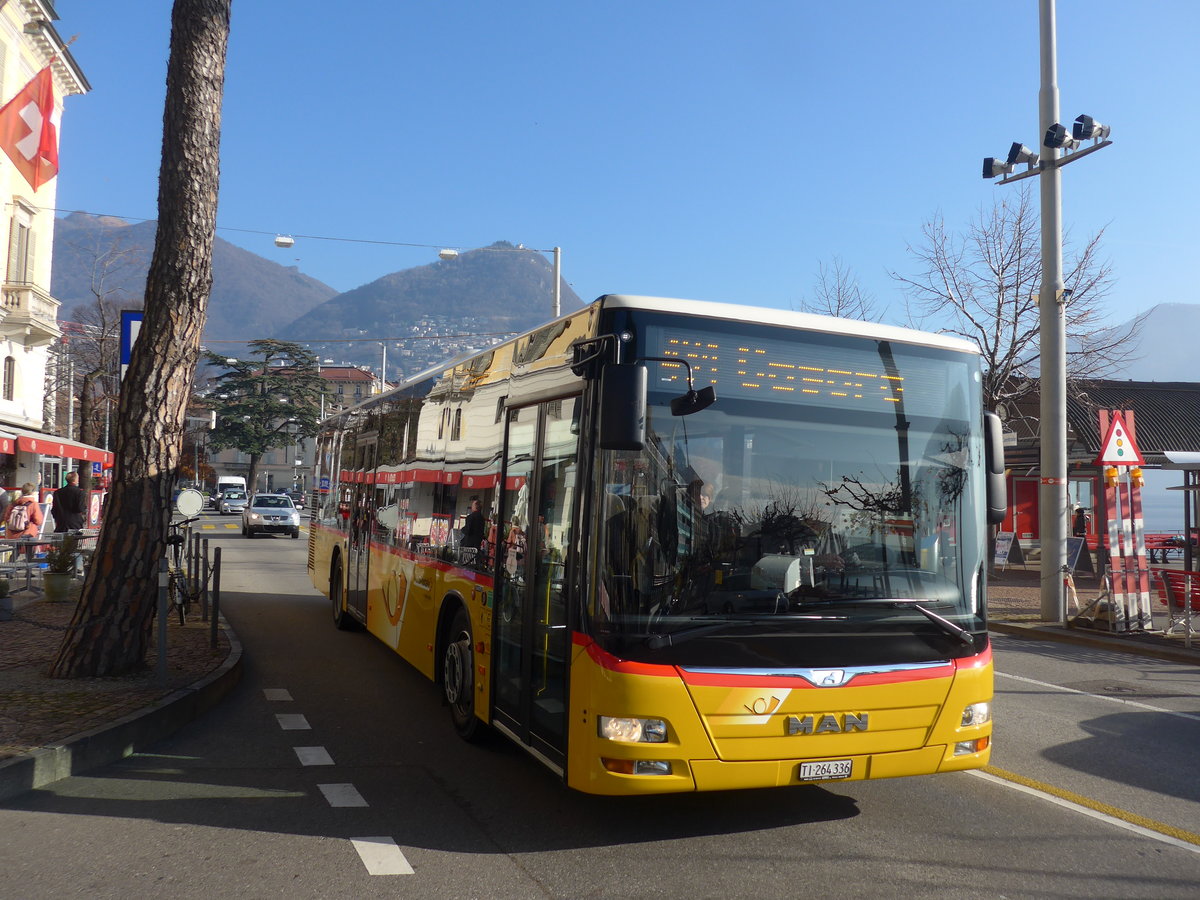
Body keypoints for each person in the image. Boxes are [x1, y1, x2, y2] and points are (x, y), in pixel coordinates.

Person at [6, 483, 44, 560]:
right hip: (28, 533)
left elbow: (7, 518)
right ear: (32, 492)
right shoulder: (33, 504)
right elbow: (38, 520)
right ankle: (28, 570)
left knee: (16, 551)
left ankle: (10, 568)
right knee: (30, 551)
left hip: (13, 533)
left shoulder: (14, 503)